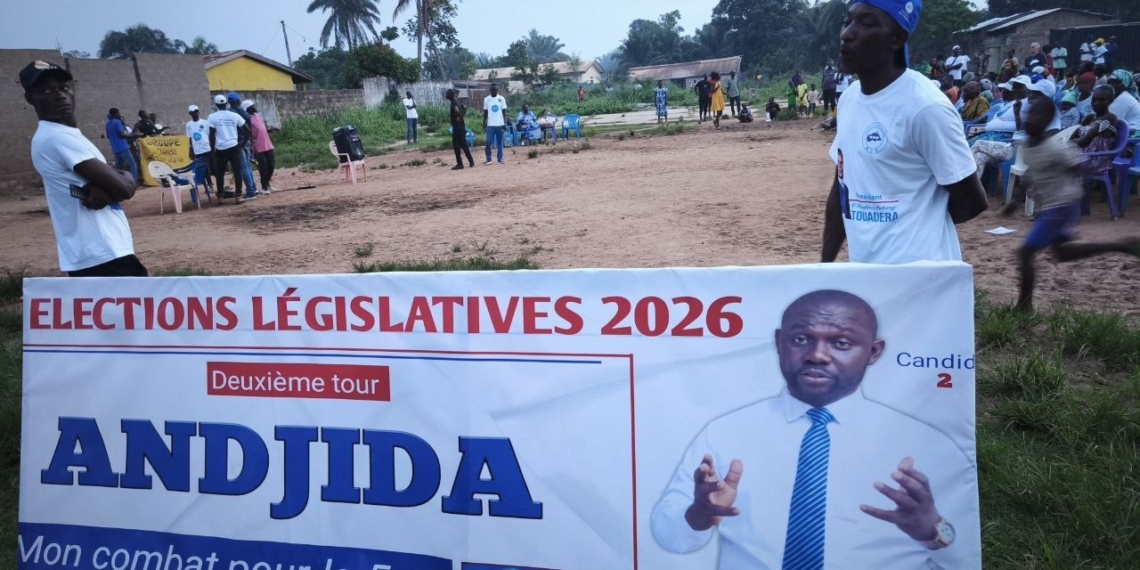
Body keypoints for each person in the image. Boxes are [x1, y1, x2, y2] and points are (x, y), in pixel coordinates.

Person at [651, 290, 978, 569]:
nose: (818, 355)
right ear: (780, 343)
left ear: (873, 352)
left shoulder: (927, 445)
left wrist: (929, 531)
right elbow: (670, 534)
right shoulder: (724, 433)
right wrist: (699, 515)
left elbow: (965, 555)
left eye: (841, 342)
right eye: (801, 339)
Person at [822, 0, 987, 265]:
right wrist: (824, 267)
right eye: (847, 21)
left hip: (920, 280)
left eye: (866, 23)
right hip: (864, 273)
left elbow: (972, 201)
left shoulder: (925, 107)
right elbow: (841, 186)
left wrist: (918, 226)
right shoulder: (849, 100)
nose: (847, 33)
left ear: (897, 38)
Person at [1007, 97, 1140, 312]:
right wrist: (1015, 199)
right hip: (1050, 206)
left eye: (1038, 116)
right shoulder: (1029, 145)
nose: (1031, 120)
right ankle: (1122, 245)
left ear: (1047, 121)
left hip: (1059, 205)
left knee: (1025, 253)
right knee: (1062, 253)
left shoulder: (1055, 147)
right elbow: (1030, 173)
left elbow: (1081, 165)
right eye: (1030, 114)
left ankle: (1024, 306)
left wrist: (1072, 184)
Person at [23, 60, 147, 277]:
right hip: (102, 252)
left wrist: (109, 185)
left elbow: (110, 183)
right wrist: (122, 177)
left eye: (64, 88)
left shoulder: (63, 135)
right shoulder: (58, 137)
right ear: (30, 98)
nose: (60, 95)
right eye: (47, 90)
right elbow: (125, 188)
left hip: (92, 252)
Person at [207, 94, 252, 201]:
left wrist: (212, 150)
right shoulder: (234, 115)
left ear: (216, 105)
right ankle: (238, 195)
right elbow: (248, 131)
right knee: (237, 171)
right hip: (234, 147)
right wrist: (241, 144)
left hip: (221, 149)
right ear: (226, 104)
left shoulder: (212, 117)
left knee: (220, 173)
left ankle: (221, 197)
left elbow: (212, 135)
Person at [225, 92, 258, 198]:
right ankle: (254, 188)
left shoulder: (229, 113)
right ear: (237, 101)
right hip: (247, 141)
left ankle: (250, 192)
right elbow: (250, 125)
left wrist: (241, 143)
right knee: (247, 166)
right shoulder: (243, 112)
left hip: (238, 142)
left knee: (243, 167)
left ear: (229, 102)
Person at [245, 101, 275, 194]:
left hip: (267, 144)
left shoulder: (257, 116)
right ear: (248, 109)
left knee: (271, 165)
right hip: (257, 146)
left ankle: (267, 183)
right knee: (263, 166)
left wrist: (271, 130)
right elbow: (248, 132)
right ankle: (264, 187)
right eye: (252, 106)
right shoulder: (248, 119)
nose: (254, 107)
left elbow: (263, 129)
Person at [104, 108, 142, 184]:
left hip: (115, 149)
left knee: (118, 168)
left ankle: (120, 184)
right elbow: (122, 134)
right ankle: (134, 183)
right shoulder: (117, 122)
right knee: (132, 165)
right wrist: (133, 135)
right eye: (118, 113)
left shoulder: (108, 124)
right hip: (123, 147)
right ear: (115, 114)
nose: (119, 114)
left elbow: (108, 135)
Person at [185, 105, 213, 204]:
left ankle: (211, 185)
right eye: (193, 112)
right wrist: (191, 149)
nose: (195, 113)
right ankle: (209, 185)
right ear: (190, 114)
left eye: (196, 111)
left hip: (207, 148)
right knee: (202, 169)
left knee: (210, 168)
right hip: (198, 150)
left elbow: (210, 135)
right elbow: (190, 138)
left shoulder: (205, 122)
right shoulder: (189, 125)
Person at [445, 88, 474, 170]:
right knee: (463, 144)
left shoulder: (454, 103)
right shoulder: (457, 101)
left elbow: (457, 112)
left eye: (447, 94)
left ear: (450, 95)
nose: (446, 95)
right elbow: (464, 108)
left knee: (457, 146)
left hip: (457, 128)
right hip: (461, 127)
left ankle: (460, 164)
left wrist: (458, 120)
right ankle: (471, 161)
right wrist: (461, 118)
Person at [483, 83, 509, 165]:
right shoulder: (487, 99)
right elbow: (485, 112)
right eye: (492, 90)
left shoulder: (501, 99)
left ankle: (500, 159)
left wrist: (505, 123)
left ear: (497, 90)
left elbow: (504, 112)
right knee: (488, 142)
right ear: (490, 90)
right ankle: (489, 159)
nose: (494, 91)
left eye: (495, 89)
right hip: (490, 125)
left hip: (500, 124)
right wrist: (484, 123)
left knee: (500, 142)